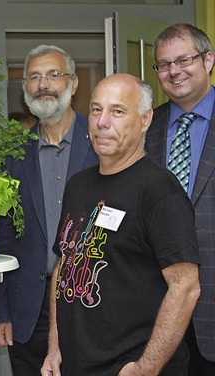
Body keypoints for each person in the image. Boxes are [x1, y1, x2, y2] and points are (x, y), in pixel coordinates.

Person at [41, 73, 201, 376]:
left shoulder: (159, 192)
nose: (102, 122)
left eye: (117, 111)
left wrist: (145, 369)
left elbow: (186, 288)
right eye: (97, 109)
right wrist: (55, 347)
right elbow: (65, 266)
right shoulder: (78, 185)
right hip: (75, 365)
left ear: (144, 119)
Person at [0, 45, 98, 375]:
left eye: (53, 74)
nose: (42, 84)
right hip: (29, 310)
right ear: (24, 89)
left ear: (73, 83)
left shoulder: (101, 143)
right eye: (33, 77)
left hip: (92, 299)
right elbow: (1, 237)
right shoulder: (13, 156)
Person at [145, 23, 215, 375]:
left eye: (183, 59)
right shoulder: (144, 129)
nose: (174, 71)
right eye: (163, 64)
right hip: (155, 312)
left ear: (208, 60)